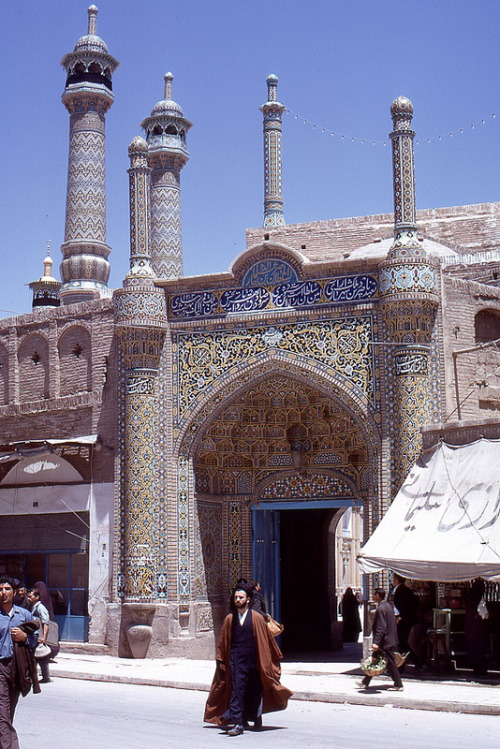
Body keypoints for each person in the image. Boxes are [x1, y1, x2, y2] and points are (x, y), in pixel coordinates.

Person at [204, 583, 292, 736]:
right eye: (236, 597)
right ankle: (238, 723)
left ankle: (254, 718)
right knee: (236, 691)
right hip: (236, 661)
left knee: (254, 691)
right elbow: (223, 643)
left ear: (248, 599)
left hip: (254, 662)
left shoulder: (257, 619)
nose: (237, 600)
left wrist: (266, 663)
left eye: (241, 597)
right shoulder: (230, 619)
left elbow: (266, 642)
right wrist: (222, 662)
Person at [0, 576, 37, 748]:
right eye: (0, 589)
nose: (3, 593)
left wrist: (25, 638)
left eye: (7, 589)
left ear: (14, 593)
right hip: (0, 667)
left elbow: (35, 638)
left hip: (18, 668)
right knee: (2, 714)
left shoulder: (24, 615)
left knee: (9, 712)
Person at [357, 587, 403, 691]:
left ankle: (398, 684)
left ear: (378, 595)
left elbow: (381, 627)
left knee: (390, 663)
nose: (373, 596)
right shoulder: (388, 606)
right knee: (375, 659)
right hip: (389, 639)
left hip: (385, 641)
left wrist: (376, 642)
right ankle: (365, 682)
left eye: (374, 594)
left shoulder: (381, 609)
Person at [392, 573, 419, 663]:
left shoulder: (402, 590)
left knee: (402, 643)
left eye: (393, 578)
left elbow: (408, 605)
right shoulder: (401, 589)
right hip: (404, 619)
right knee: (401, 643)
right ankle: (402, 663)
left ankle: (417, 662)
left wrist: (401, 616)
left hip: (405, 620)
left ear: (397, 579)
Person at [28, 588, 52, 683]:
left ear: (37, 597)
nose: (28, 599)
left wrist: (44, 637)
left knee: (41, 657)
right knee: (36, 657)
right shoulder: (32, 607)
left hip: (39, 637)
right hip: (34, 637)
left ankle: (46, 677)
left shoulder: (40, 608)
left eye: (30, 597)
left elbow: (45, 623)